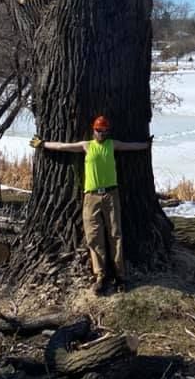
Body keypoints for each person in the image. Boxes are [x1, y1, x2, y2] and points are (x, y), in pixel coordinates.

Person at [29, 115, 152, 295]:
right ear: (93, 130)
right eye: (98, 130)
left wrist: (146, 145)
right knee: (94, 237)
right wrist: (43, 144)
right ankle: (101, 276)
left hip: (111, 195)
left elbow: (131, 146)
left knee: (115, 234)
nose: (101, 134)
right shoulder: (87, 145)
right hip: (91, 197)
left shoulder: (112, 144)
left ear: (108, 132)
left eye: (104, 131)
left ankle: (120, 276)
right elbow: (63, 147)